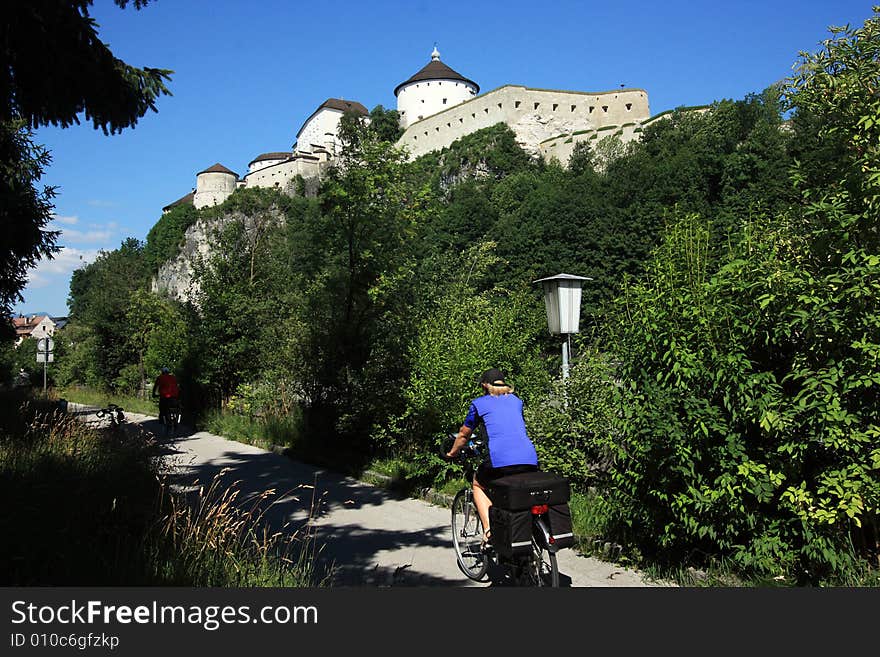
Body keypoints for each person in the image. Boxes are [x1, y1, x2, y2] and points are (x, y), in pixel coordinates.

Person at [445, 367, 539, 546]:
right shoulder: (516, 401)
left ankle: (489, 532)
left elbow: (463, 435)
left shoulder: (479, 404)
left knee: (478, 483)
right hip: (529, 458)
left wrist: (452, 453)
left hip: (500, 461)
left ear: (484, 386)